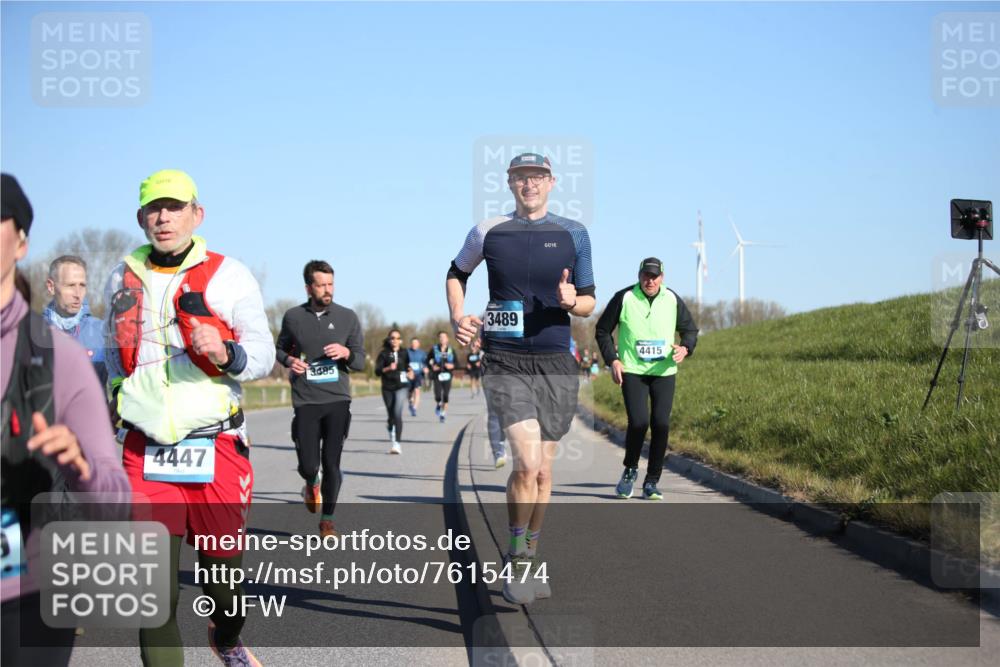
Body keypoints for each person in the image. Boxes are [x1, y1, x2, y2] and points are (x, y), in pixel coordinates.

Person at [104, 169, 274, 666]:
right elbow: (115, 349)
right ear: (140, 218)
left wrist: (226, 353)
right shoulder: (121, 274)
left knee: (224, 587)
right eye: (154, 208)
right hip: (145, 449)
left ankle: (225, 635)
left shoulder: (228, 273)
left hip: (215, 446)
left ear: (196, 214)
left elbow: (262, 354)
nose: (163, 217)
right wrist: (119, 394)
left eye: (174, 207)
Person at [447, 153, 596, 605]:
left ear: (551, 182)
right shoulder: (488, 230)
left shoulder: (574, 233)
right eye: (519, 177)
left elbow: (590, 300)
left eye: (536, 176)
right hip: (505, 358)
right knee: (527, 465)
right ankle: (516, 558)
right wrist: (457, 316)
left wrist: (573, 302)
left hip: (555, 361)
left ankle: (531, 552)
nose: (528, 183)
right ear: (509, 183)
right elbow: (456, 273)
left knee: (545, 473)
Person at [2, 173, 129, 667]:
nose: (78, 292)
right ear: (52, 284)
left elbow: (114, 499)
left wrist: (83, 460)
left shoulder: (69, 350)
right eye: (70, 284)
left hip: (22, 591)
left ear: (21, 243)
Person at [595, 257, 698, 501]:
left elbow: (690, 330)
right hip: (633, 371)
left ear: (662, 277)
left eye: (654, 276)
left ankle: (652, 481)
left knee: (661, 423)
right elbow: (602, 330)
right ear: (639, 275)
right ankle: (630, 470)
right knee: (639, 422)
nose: (649, 280)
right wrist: (613, 360)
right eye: (645, 276)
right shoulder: (625, 298)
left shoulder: (671, 299)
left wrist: (685, 348)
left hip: (664, 372)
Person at [275, 260, 365, 538]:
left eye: (331, 284)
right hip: (305, 400)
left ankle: (327, 522)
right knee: (308, 464)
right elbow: (278, 349)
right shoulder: (292, 317)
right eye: (321, 285)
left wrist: (346, 353)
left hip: (338, 398)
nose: (328, 290)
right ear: (308, 287)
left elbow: (360, 361)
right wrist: (290, 360)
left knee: (332, 461)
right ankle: (311, 482)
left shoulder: (348, 317)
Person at [42, 255, 107, 385]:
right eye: (70, 285)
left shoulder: (103, 332)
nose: (78, 294)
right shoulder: (29, 333)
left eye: (82, 285)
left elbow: (125, 383)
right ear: (51, 287)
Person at [374, 328, 414, 454]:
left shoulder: (404, 352)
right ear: (389, 340)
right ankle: (390, 426)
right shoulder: (384, 354)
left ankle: (397, 444)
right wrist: (387, 368)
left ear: (400, 340)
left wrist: (411, 372)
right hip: (387, 387)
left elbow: (408, 366)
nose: (395, 340)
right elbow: (377, 371)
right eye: (392, 338)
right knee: (391, 414)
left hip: (402, 386)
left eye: (397, 338)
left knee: (397, 412)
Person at [427, 331, 455, 423]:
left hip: (447, 375)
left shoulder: (451, 350)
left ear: (447, 339)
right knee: (438, 395)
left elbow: (457, 363)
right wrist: (432, 366)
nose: (442, 339)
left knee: (446, 395)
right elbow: (427, 360)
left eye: (444, 337)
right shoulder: (434, 349)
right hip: (437, 375)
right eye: (440, 337)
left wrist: (452, 366)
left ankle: (443, 413)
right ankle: (438, 403)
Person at [406, 337, 426, 416]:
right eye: (412, 343)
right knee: (409, 392)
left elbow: (425, 363)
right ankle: (410, 401)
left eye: (415, 343)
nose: (414, 344)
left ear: (418, 344)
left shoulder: (422, 353)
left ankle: (414, 408)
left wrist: (425, 367)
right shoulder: (407, 352)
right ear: (411, 344)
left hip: (418, 374)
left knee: (417, 390)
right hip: (409, 375)